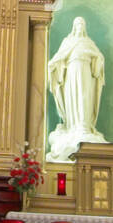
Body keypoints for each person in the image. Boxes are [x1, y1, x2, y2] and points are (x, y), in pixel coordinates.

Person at [46, 16, 106, 160]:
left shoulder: (89, 42)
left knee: (85, 98)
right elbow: (58, 58)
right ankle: (73, 126)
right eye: (77, 24)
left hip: (85, 74)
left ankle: (84, 126)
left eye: (82, 24)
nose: (80, 26)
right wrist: (53, 64)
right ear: (74, 26)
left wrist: (94, 56)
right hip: (72, 74)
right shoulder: (68, 42)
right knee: (74, 97)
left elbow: (99, 57)